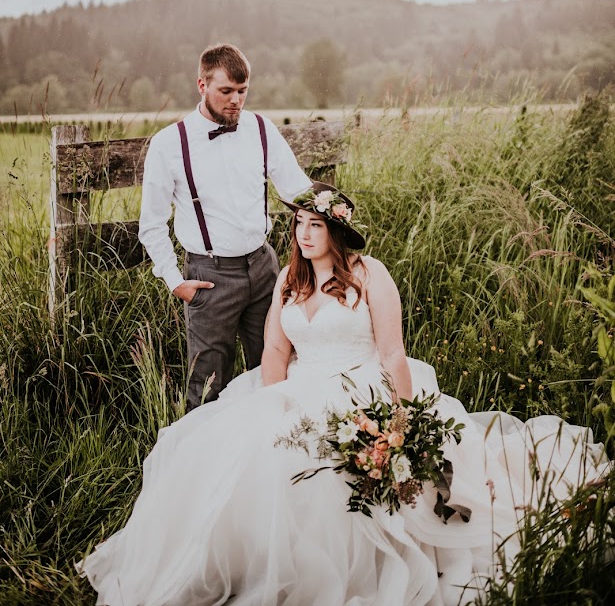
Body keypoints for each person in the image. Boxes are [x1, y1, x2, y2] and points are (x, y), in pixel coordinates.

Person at [80, 183, 609, 606]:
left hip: (362, 386)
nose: (304, 233)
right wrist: (272, 404)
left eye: (315, 225)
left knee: (336, 475)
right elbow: (275, 351)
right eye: (298, 224)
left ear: (336, 231)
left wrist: (402, 420)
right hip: (296, 389)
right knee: (235, 456)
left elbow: (393, 353)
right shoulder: (288, 280)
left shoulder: (369, 274)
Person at [138, 43, 311, 408]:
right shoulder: (169, 144)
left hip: (263, 268)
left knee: (277, 369)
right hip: (209, 275)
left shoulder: (261, 129)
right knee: (207, 385)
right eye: (226, 91)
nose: (236, 100)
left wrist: (334, 215)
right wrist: (175, 281)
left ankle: (273, 439)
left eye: (243, 91)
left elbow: (299, 191)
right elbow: (152, 224)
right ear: (202, 85)